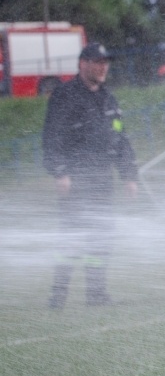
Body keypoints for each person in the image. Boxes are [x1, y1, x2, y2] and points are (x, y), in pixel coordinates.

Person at [42, 42, 139, 308]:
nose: (103, 66)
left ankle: (95, 293)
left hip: (102, 181)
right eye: (97, 61)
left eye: (105, 62)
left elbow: (120, 136)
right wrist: (59, 172)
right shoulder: (65, 95)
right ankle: (58, 296)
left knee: (101, 238)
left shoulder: (108, 98)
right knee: (71, 239)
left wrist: (129, 175)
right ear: (82, 64)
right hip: (76, 182)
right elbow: (52, 137)